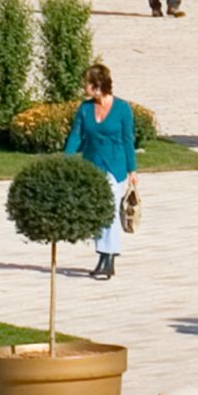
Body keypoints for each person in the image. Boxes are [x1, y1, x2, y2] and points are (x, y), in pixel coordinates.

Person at [65, 63, 138, 279]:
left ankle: (108, 258)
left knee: (109, 210)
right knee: (97, 212)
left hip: (115, 166)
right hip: (92, 164)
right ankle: (103, 256)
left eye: (86, 83)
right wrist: (66, 160)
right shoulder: (85, 109)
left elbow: (127, 140)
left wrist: (132, 170)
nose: (84, 87)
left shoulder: (122, 109)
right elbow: (76, 135)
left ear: (96, 85)